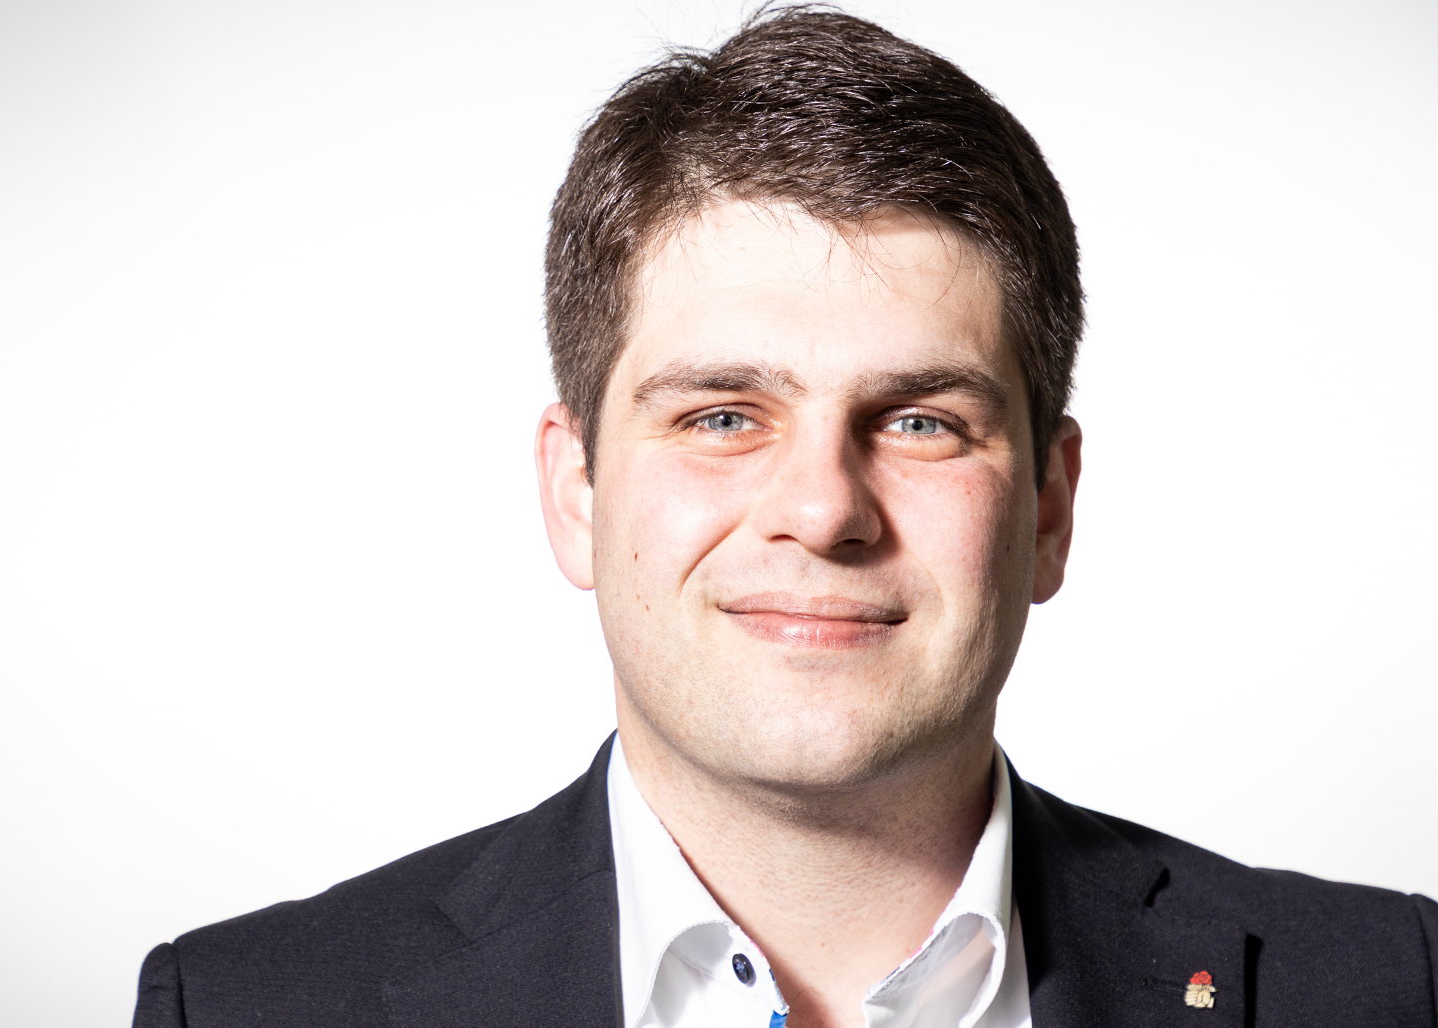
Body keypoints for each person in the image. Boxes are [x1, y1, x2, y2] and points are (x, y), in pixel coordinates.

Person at [131, 8, 1438, 1027]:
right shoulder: (247, 1010)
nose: (821, 509)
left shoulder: (1388, 988)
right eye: (721, 416)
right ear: (576, 490)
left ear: (1048, 507)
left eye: (920, 422)